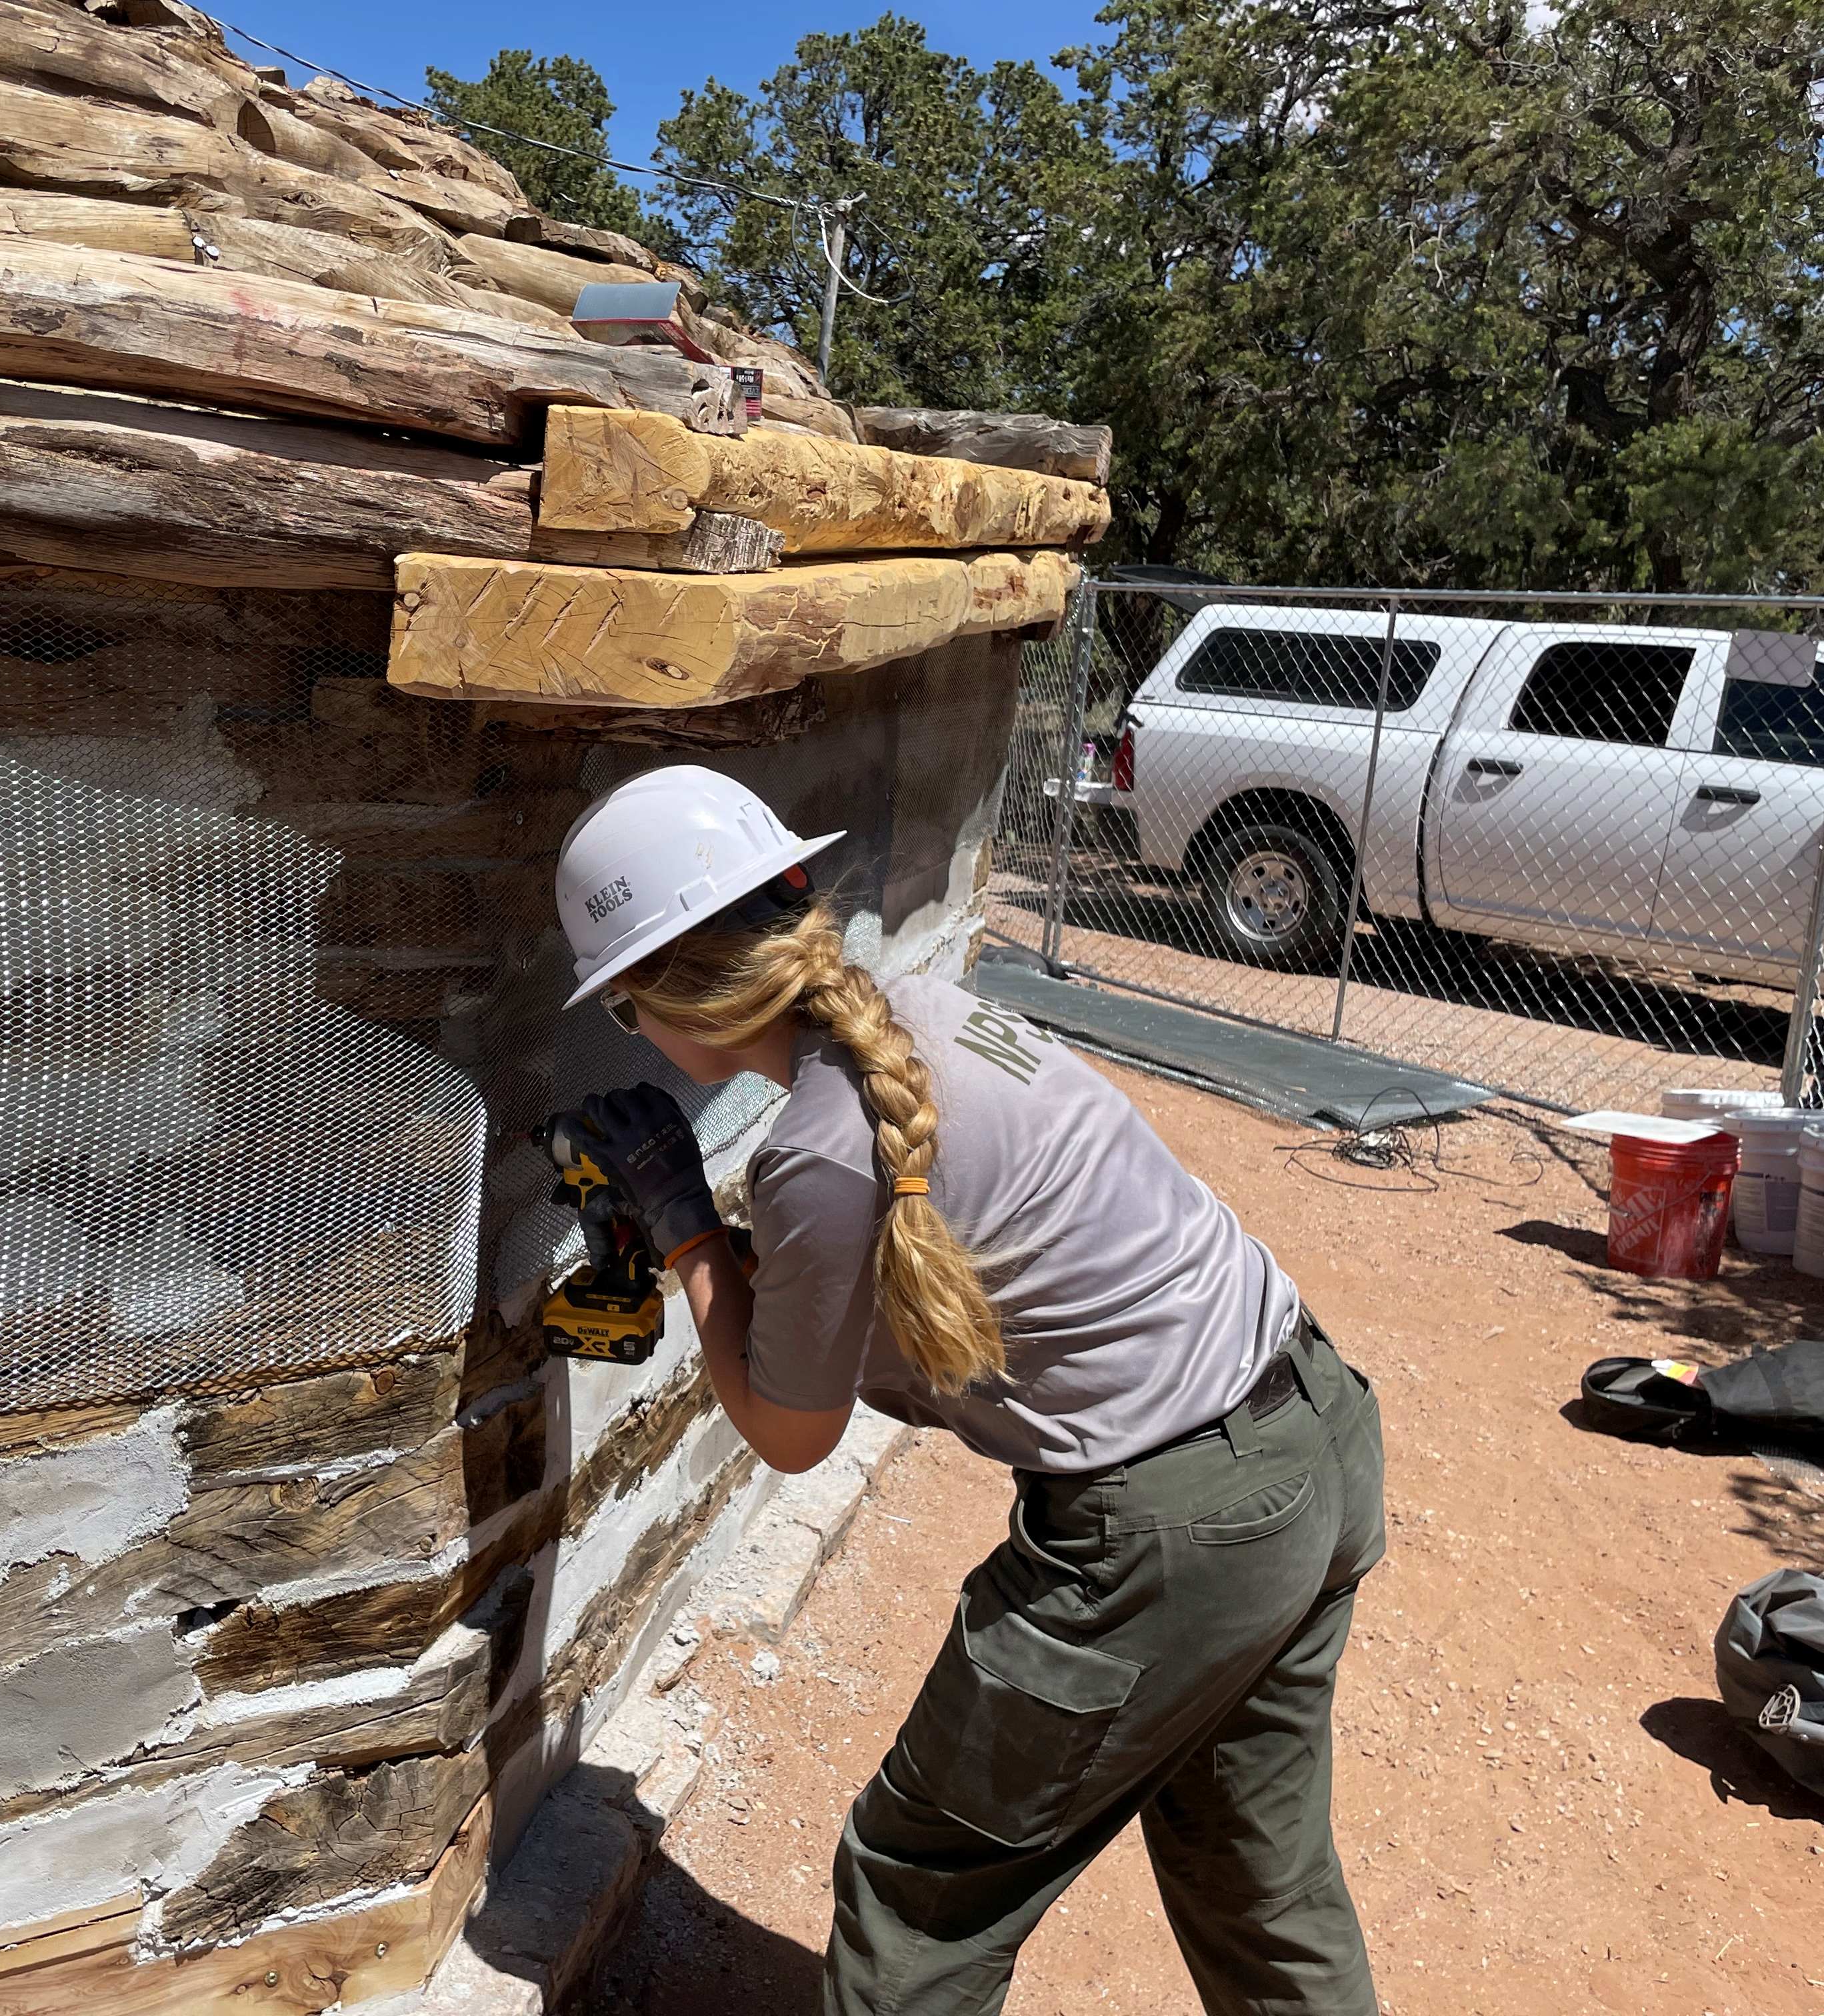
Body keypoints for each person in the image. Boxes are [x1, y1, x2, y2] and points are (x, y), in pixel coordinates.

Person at [550, 765, 1387, 2016]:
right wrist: (731, 1233)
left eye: (626, 1011)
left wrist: (682, 1224)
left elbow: (787, 1432)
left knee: (918, 1895)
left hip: (1174, 1537)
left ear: (674, 998)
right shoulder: (918, 1010)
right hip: (1313, 1435)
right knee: (1256, 1882)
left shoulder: (822, 1150)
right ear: (791, 896)